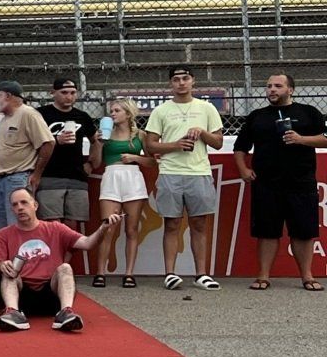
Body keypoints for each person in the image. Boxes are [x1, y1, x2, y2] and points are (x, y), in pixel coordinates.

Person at [234, 70, 327, 291]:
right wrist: (243, 169)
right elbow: (240, 147)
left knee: (303, 232)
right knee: (267, 232)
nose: (272, 90)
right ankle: (263, 276)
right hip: (266, 183)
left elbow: (325, 139)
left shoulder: (309, 112)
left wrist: (301, 139)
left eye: (277, 86)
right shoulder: (257, 116)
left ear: (290, 90)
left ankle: (307, 276)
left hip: (301, 182)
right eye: (269, 86)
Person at [143, 65, 225, 292]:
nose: (181, 83)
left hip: (199, 172)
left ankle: (202, 274)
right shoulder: (161, 110)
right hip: (170, 172)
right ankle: (170, 273)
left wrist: (202, 132)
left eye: (185, 78)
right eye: (176, 79)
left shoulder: (206, 108)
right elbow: (150, 145)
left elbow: (218, 143)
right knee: (172, 224)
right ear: (171, 83)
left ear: (193, 81)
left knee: (199, 224)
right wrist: (176, 145)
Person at [0, 187, 116, 331]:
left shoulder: (56, 228)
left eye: (24, 202)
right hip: (20, 296)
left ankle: (66, 312)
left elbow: (87, 243)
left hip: (51, 294)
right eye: (15, 205)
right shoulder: (3, 234)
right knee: (9, 272)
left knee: (65, 268)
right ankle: (12, 313)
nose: (19, 208)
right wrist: (1, 265)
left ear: (35, 205)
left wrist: (103, 228)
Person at [91, 98, 150, 289]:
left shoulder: (140, 135)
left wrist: (135, 158)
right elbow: (96, 162)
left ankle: (129, 273)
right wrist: (98, 143)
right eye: (112, 111)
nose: (112, 114)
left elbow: (152, 161)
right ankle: (100, 272)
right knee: (108, 227)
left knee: (131, 229)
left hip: (133, 177)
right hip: (111, 176)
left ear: (128, 113)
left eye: (117, 110)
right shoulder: (104, 133)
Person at [38, 76, 97, 254]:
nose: (69, 97)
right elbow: (30, 142)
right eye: (64, 92)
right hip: (49, 175)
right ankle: (52, 263)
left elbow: (95, 140)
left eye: (72, 93)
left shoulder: (82, 116)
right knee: (52, 223)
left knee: (72, 226)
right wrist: (56, 140)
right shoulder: (41, 114)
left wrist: (91, 163)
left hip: (77, 177)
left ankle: (65, 264)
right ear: (53, 93)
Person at [0, 79, 54, 236]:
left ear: (8, 96)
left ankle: (22, 253)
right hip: (0, 179)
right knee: (2, 230)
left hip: (18, 178)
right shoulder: (5, 118)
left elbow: (48, 143)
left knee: (19, 226)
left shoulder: (28, 114)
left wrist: (37, 174)